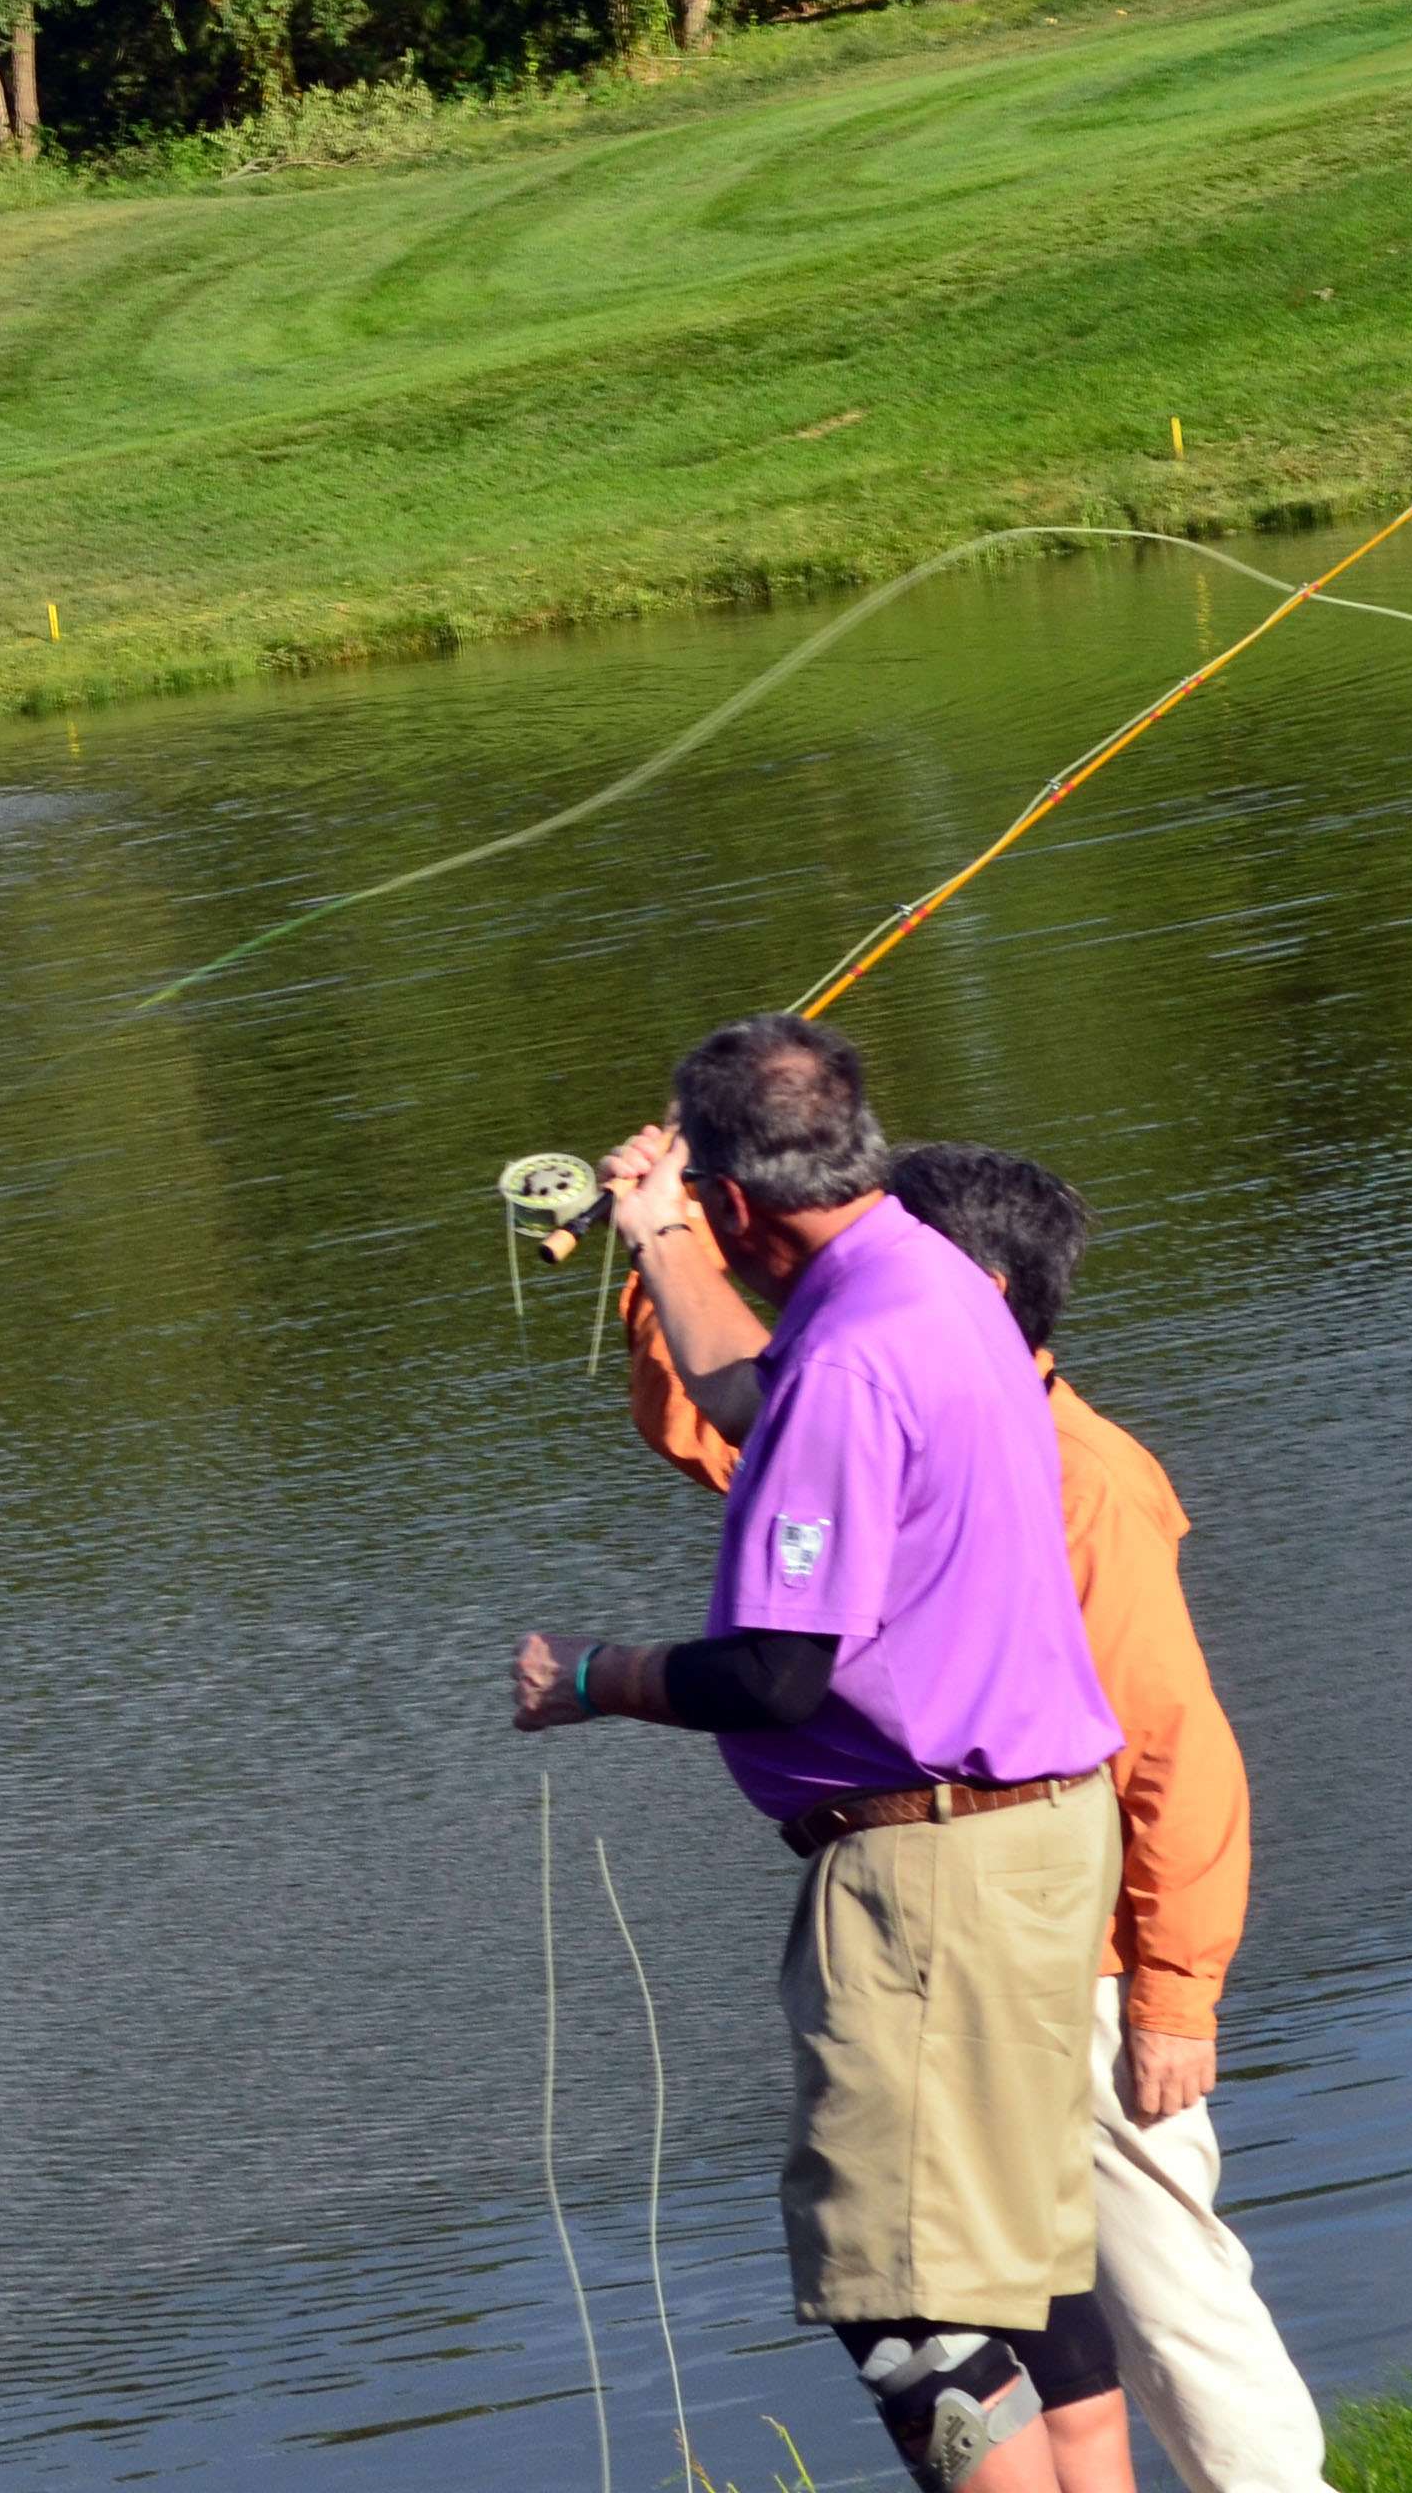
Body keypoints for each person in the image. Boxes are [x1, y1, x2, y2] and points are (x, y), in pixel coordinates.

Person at [614, 1131, 1336, 2493]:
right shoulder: (895, 1421)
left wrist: (1178, 1995)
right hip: (981, 1940)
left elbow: (1177, 1745)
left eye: (871, 1263)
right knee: (1033, 2309)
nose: (836, 1291)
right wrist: (665, 1240)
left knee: (1173, 2298)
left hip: (1094, 1962)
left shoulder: (1081, 1476)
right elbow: (714, 1429)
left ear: (973, 1295)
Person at [507, 1015, 1126, 2493]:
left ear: (741, 1198)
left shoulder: (854, 1359)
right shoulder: (933, 1280)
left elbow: (781, 1676)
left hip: (935, 1880)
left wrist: (592, 1678)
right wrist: (659, 1235)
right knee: (1020, 2283)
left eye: (696, 1191)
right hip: (1038, 1844)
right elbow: (754, 1392)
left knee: (904, 2310)